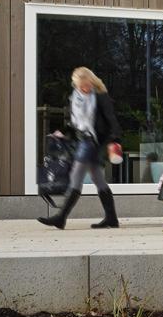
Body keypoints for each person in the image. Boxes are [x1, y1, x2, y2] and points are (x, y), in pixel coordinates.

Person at [38, 67, 124, 230]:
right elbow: (74, 123)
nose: (84, 88)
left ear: (92, 81)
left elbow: (111, 119)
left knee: (76, 177)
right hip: (81, 140)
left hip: (92, 141)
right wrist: (62, 131)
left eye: (87, 85)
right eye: (81, 86)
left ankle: (61, 217)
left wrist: (115, 140)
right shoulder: (74, 99)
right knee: (99, 180)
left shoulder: (100, 97)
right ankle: (112, 218)